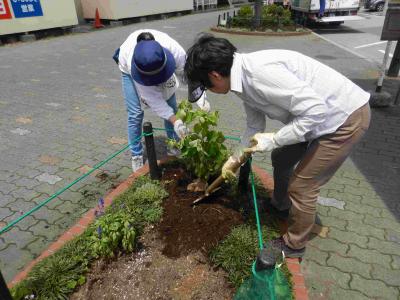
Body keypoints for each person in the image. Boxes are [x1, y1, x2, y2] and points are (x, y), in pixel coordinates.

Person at [184, 34, 370, 258]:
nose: (210, 91)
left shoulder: (259, 74)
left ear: (215, 75)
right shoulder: (239, 81)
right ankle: (280, 205)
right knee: (281, 159)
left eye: (207, 86)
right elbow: (254, 125)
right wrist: (234, 160)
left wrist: (273, 139)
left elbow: (316, 110)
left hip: (343, 118)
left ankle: (294, 244)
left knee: (302, 185)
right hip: (311, 120)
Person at [115, 29, 210, 171]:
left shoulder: (175, 51)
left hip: (161, 66)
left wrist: (201, 98)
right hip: (129, 70)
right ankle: (136, 156)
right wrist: (176, 121)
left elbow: (189, 75)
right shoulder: (133, 66)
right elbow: (155, 101)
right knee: (135, 113)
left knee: (171, 105)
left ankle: (174, 148)